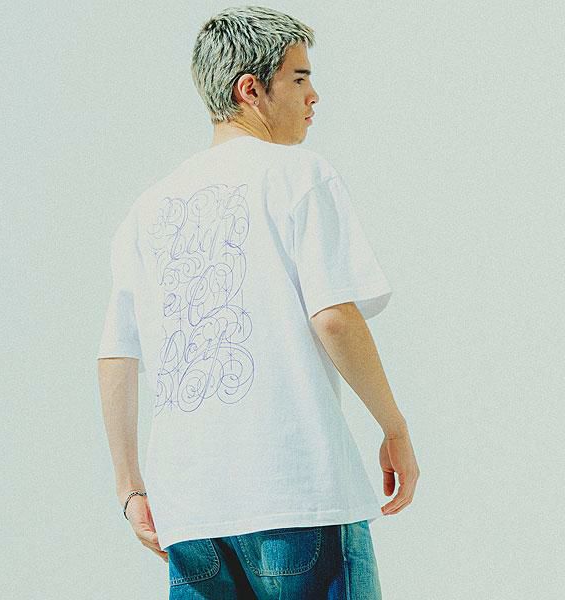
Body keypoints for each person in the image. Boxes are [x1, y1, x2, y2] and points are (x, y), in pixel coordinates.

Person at [96, 5, 419, 598]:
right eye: (299, 78)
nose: (314, 95)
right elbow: (333, 317)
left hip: (190, 512)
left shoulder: (146, 209)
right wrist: (394, 426)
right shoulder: (299, 175)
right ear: (251, 90)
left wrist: (130, 488)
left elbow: (116, 356)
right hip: (297, 494)